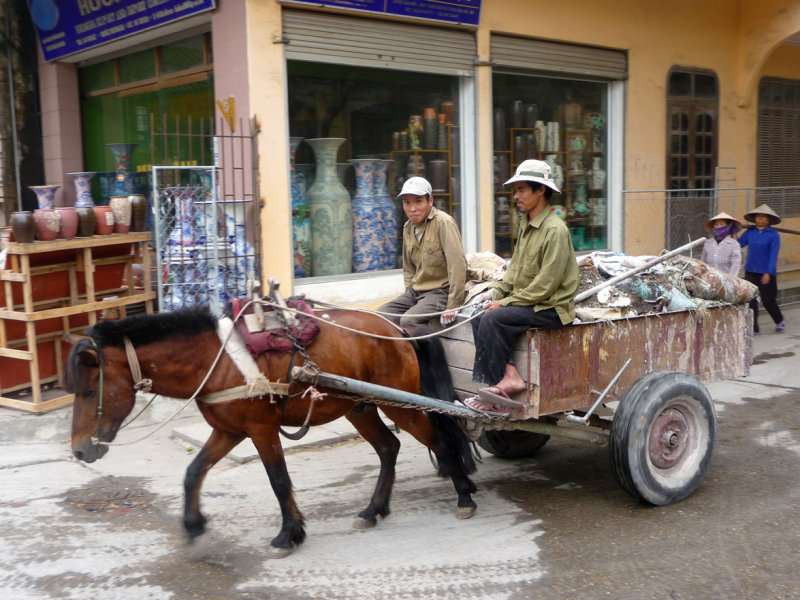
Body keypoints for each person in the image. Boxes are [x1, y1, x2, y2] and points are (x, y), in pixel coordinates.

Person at [464, 159, 579, 415]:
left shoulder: (555, 231)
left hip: (551, 308)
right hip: (530, 302)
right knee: (478, 316)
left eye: (522, 189)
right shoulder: (525, 225)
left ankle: (501, 390)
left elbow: (545, 287)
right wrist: (494, 293)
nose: (516, 196)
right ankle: (503, 380)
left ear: (540, 191)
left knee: (493, 319)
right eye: (515, 190)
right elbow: (513, 273)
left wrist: (503, 303)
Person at [378, 176, 467, 328]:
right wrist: (408, 293)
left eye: (418, 201)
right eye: (407, 202)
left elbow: (457, 265)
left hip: (440, 292)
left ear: (430, 201)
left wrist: (453, 304)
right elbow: (408, 269)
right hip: (416, 292)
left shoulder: (443, 223)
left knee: (408, 321)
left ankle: (424, 352)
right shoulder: (408, 227)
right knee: (381, 315)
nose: (412, 208)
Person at [738, 203, 785, 334]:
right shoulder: (750, 232)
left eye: (764, 217)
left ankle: (779, 320)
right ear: (754, 219)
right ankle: (754, 327)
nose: (761, 219)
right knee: (751, 300)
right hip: (751, 271)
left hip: (766, 272)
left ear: (769, 220)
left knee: (768, 300)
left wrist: (768, 273)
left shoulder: (773, 235)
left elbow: (773, 255)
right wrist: (735, 230)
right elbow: (738, 245)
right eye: (758, 216)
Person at [701, 211, 742, 276]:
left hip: (726, 281)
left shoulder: (734, 244)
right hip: (709, 280)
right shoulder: (708, 243)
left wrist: (730, 282)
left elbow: (735, 266)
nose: (718, 227)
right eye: (716, 224)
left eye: (721, 224)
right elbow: (703, 263)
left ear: (728, 227)